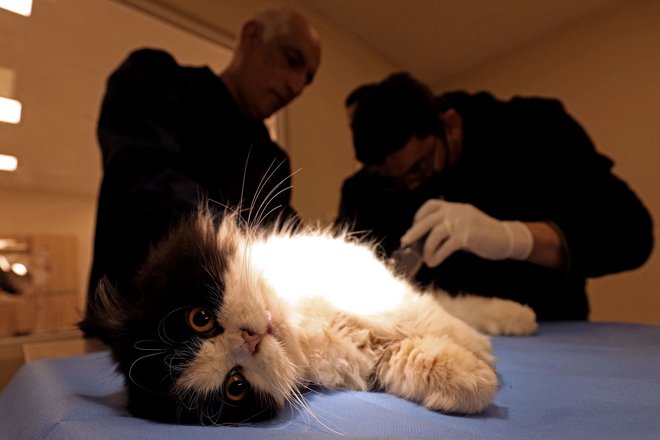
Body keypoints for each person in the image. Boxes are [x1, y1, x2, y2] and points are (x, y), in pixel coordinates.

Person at [337, 72, 653, 320]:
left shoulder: (535, 128)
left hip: (551, 337)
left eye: (420, 166)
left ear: (448, 125)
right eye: (396, 180)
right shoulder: (368, 188)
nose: (412, 186)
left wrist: (514, 239)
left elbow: (632, 232)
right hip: (440, 343)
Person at [86, 7, 321, 326]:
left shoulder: (274, 160)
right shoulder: (154, 81)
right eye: (292, 59)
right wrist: (256, 250)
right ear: (252, 36)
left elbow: (284, 232)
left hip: (236, 342)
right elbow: (148, 184)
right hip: (130, 333)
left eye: (307, 79)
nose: (296, 86)